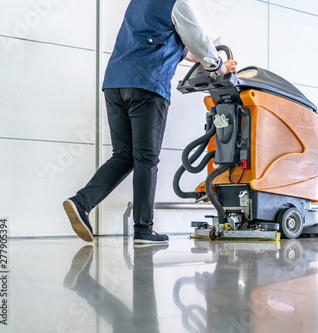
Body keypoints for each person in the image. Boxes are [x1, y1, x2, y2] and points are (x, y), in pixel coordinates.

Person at [63, 0, 238, 245]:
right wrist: (218, 65)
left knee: (124, 155)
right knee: (146, 159)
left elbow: (161, 39)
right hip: (147, 85)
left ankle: (81, 203)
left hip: (115, 83)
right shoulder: (175, 3)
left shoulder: (137, 4)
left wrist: (194, 57)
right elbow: (197, 39)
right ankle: (143, 230)